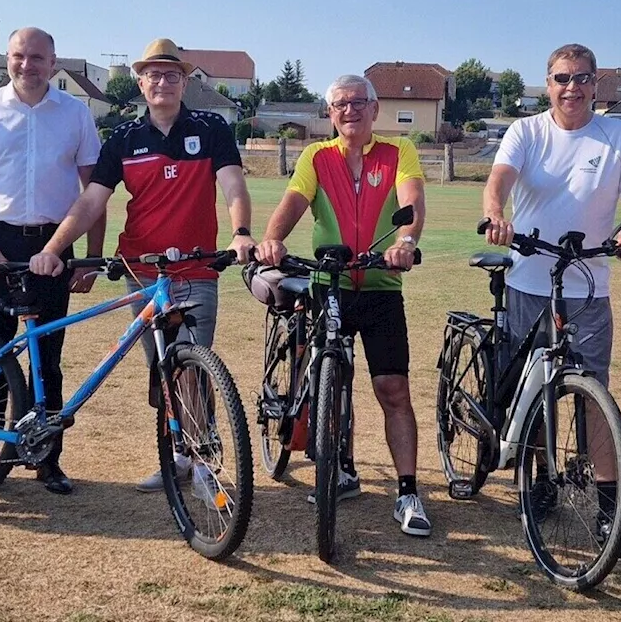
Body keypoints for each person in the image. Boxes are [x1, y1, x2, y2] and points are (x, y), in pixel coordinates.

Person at [28, 38, 255, 496]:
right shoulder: (125, 138)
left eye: (171, 75)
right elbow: (92, 201)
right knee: (163, 372)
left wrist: (242, 231)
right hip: (141, 271)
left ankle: (205, 464)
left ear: (184, 81)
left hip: (195, 270)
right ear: (140, 81)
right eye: (153, 74)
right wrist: (54, 247)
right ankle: (178, 457)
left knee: (192, 366)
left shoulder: (211, 128)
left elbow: (232, 184)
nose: (162, 82)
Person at [481, 43, 621, 557]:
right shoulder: (526, 132)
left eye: (582, 78)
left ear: (595, 84)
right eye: (562, 78)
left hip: (588, 287)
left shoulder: (618, 136)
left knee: (592, 395)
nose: (571, 87)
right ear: (548, 82)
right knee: (529, 391)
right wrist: (496, 214)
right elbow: (499, 182)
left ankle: (607, 511)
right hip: (527, 280)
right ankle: (538, 482)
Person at [255, 74, 430, 537]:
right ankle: (341, 468)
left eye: (358, 103)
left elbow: (412, 202)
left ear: (374, 109)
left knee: (393, 389)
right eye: (339, 105)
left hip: (380, 285)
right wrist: (273, 238)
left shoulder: (400, 151)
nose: (349, 111)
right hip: (327, 284)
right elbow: (294, 201)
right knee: (327, 378)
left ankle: (408, 491)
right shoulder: (316, 156)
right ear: (330, 114)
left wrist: (406, 242)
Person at [0, 27, 104, 496]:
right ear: (8, 58)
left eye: (37, 57)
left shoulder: (76, 113)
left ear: (53, 62)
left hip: (54, 247)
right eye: (19, 56)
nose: (27, 65)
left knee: (48, 359)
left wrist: (90, 260)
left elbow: (94, 192)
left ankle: (46, 458)